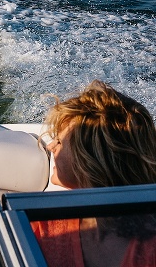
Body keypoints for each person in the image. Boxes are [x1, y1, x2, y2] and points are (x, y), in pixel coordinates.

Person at [32, 80, 156, 267]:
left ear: (88, 161)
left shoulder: (46, 227)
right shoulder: (43, 227)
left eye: (59, 141)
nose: (50, 147)